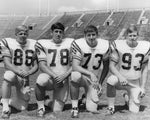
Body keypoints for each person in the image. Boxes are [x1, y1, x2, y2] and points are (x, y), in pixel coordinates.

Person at [107, 24, 150, 114]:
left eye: (134, 35)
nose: (132, 38)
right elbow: (111, 66)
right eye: (130, 36)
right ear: (126, 36)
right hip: (121, 80)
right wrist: (120, 77)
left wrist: (142, 87)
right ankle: (111, 107)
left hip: (134, 82)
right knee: (111, 80)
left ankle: (127, 97)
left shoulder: (144, 47)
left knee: (134, 111)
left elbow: (145, 69)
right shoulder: (119, 46)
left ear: (137, 36)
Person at [70, 25, 110, 118]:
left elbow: (106, 67)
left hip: (93, 81)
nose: (91, 37)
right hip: (82, 76)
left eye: (93, 34)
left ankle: (84, 99)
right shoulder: (79, 44)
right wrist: (90, 73)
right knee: (75, 75)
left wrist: (100, 83)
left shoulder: (104, 45)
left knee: (92, 109)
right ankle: (75, 107)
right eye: (89, 35)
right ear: (85, 36)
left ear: (97, 35)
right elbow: (75, 66)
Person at [35, 22, 73, 117]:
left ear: (63, 33)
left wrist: (64, 76)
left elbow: (75, 64)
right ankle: (40, 107)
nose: (58, 34)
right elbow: (42, 65)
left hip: (63, 80)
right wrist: (55, 75)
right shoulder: (43, 44)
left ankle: (46, 101)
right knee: (41, 79)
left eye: (60, 32)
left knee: (57, 110)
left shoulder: (70, 43)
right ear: (51, 33)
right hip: (50, 78)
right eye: (56, 31)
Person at [1, 25, 38, 118]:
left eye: (25, 33)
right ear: (16, 34)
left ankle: (4, 100)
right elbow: (7, 63)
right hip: (14, 73)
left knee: (22, 107)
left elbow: (36, 66)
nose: (23, 35)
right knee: (8, 76)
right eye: (20, 33)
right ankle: (5, 107)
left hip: (25, 78)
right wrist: (17, 71)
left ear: (28, 34)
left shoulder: (34, 45)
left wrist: (29, 72)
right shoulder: (8, 43)